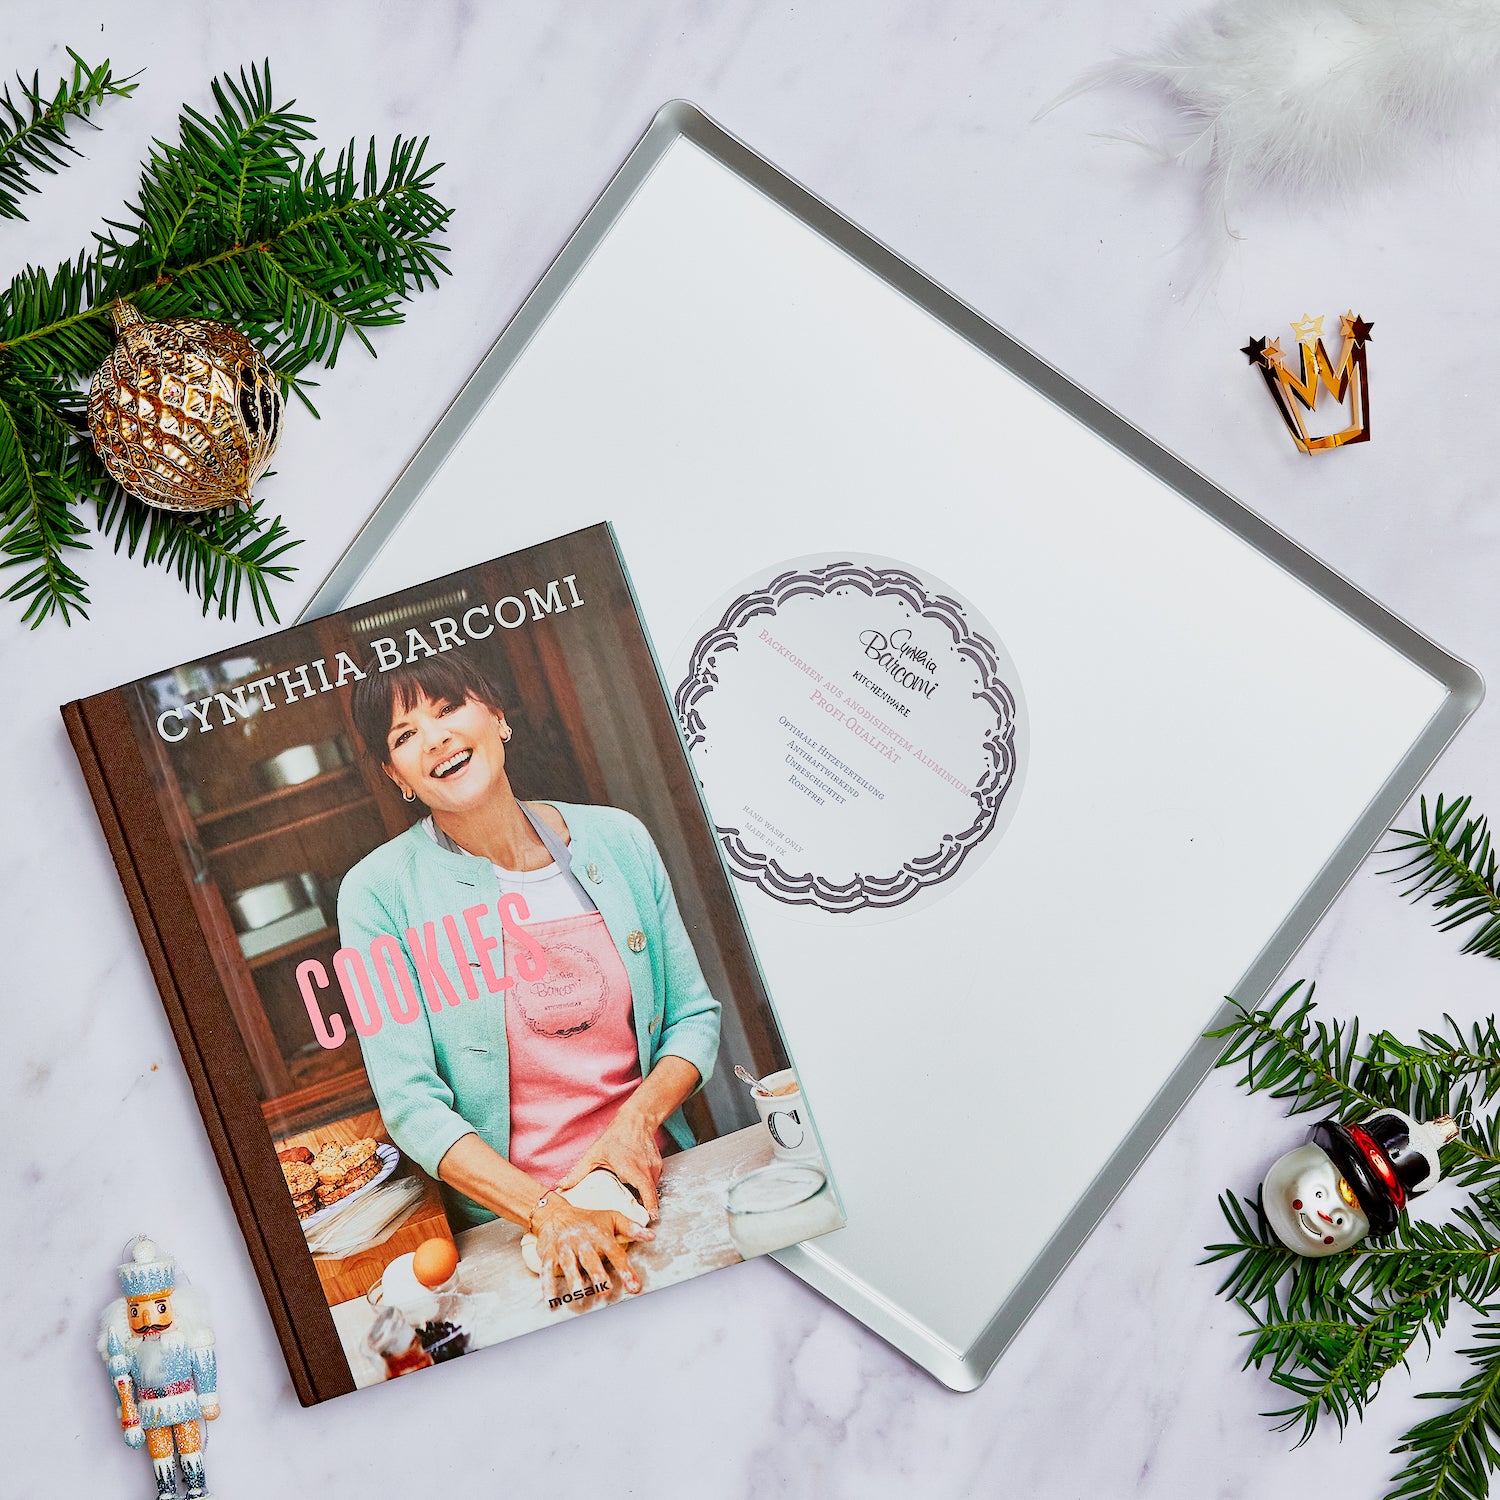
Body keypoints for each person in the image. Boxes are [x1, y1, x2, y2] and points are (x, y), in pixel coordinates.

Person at [338, 654, 722, 1299]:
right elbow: (410, 1105)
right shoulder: (377, 895)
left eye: (447, 708)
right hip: (516, 1227)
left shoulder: (619, 839)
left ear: (496, 715)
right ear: (395, 775)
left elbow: (693, 1017)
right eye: (404, 736)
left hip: (659, 1179)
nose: (434, 739)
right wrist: (549, 1213)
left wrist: (633, 1129)